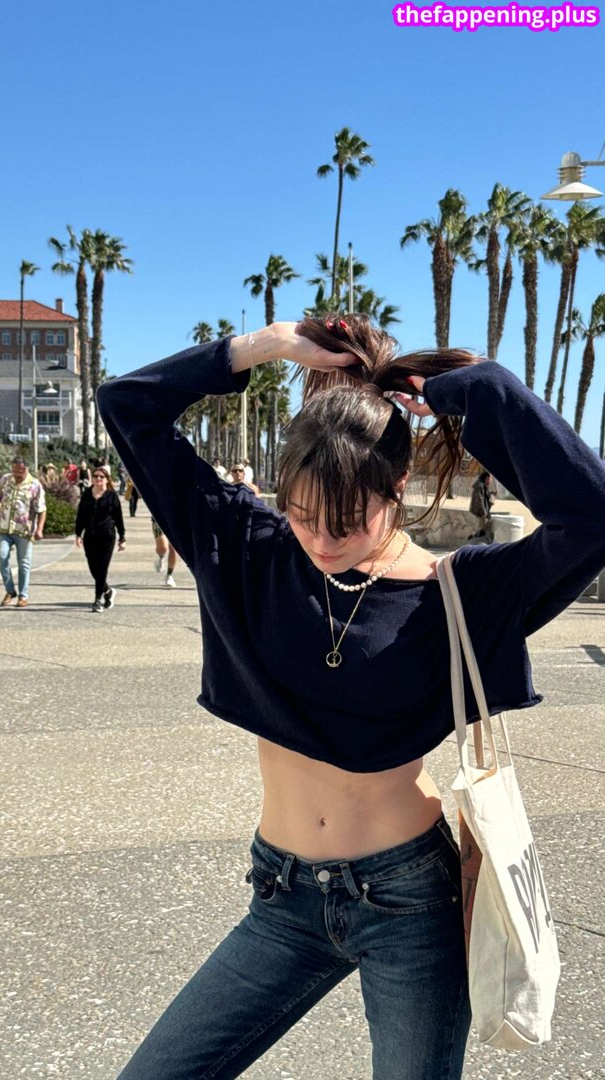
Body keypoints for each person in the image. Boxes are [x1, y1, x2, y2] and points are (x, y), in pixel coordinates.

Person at [98, 316, 605, 1080]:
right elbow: (126, 406)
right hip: (281, 897)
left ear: (397, 488)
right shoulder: (249, 547)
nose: (322, 541)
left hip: (409, 904)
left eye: (345, 521)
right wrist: (267, 346)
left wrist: (481, 393)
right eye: (302, 515)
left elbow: (591, 517)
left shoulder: (458, 592)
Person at [75, 463, 126, 612]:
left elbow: (118, 517)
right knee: (93, 568)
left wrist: (122, 538)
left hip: (107, 536)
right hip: (90, 536)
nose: (98, 479)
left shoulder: (111, 496)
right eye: (96, 476)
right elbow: (81, 515)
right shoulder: (87, 494)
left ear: (106, 479)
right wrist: (78, 533)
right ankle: (108, 591)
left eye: (101, 477)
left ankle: (97, 600)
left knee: (102, 568)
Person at [0, 455, 46, 608]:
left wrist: (39, 529)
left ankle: (23, 596)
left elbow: (42, 509)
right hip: (4, 527)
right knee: (1, 557)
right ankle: (10, 591)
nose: (17, 474)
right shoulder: (5, 480)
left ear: (27, 469)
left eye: (21, 471)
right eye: (15, 471)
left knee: (24, 563)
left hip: (24, 530)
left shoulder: (35, 485)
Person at [468, 469, 494, 543]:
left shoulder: (482, 486)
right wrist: (483, 513)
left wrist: (491, 494)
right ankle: (475, 543)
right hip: (481, 513)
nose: (490, 481)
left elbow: (484, 497)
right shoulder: (480, 486)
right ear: (486, 478)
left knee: (481, 530)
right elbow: (479, 500)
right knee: (480, 531)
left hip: (482, 513)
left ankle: (477, 542)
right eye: (490, 479)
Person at [152, 515, 178, 587]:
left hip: (176, 520)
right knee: (162, 548)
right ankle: (161, 556)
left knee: (174, 547)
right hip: (159, 519)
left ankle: (169, 574)